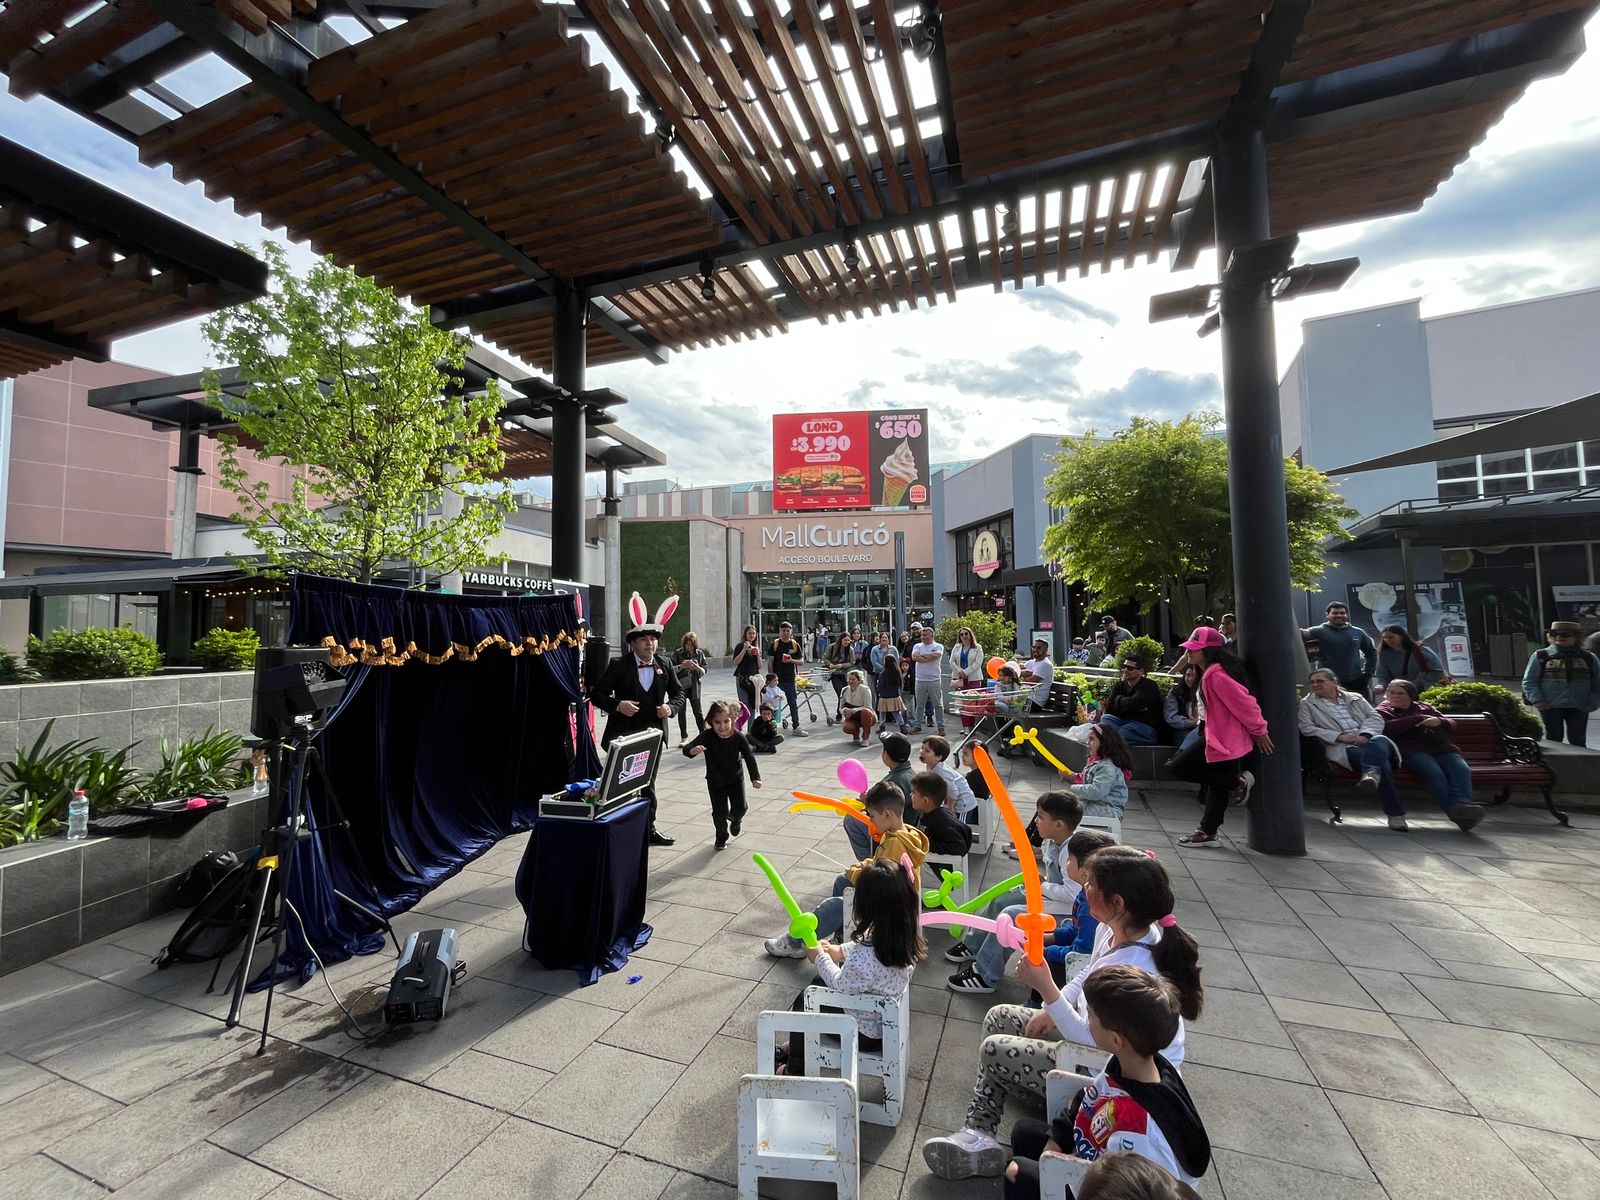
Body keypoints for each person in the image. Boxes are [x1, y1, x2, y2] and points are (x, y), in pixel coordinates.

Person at [921, 846, 1201, 1179]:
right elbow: (1086, 975)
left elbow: (1092, 1037)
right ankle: (991, 1118)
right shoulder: (1115, 930)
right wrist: (1049, 1010)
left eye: (1091, 885)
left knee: (994, 1049)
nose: (1084, 890)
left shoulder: (1132, 964)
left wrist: (1047, 989)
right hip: (1101, 1041)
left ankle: (982, 1131)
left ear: (1118, 903)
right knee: (999, 1017)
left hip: (1110, 1064)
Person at [1001, 966, 1210, 1200]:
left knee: (1015, 1172)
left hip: (1095, 1184)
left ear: (1115, 1040)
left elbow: (1118, 1188)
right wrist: (1057, 1139)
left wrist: (1056, 1168)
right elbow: (1090, 1096)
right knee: (1022, 1132)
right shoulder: (1132, 1065)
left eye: (1090, 1016)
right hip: (1090, 1149)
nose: (1087, 1021)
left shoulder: (1141, 1134)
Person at [776, 858, 924, 1077]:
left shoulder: (865, 958)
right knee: (817, 984)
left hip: (862, 1030)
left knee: (806, 998)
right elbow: (866, 941)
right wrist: (838, 951)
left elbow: (840, 984)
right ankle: (799, 1043)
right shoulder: (903, 936)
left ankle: (795, 1068)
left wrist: (819, 957)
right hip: (882, 1021)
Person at [765, 782, 929, 957]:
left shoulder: (896, 843)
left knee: (833, 906)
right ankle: (843, 934)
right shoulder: (904, 834)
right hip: (892, 899)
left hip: (888, 909)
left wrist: (857, 873)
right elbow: (881, 863)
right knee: (842, 882)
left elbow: (878, 883)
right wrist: (866, 864)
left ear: (887, 814)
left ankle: (795, 942)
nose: (870, 820)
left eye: (872, 815)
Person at [947, 790, 1082, 994]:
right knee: (1001, 900)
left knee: (1010, 917)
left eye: (1041, 816)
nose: (1036, 820)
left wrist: (1042, 886)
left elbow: (1073, 895)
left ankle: (985, 975)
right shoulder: (1054, 842)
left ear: (1059, 825)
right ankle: (973, 945)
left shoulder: (1071, 853)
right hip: (1047, 896)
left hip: (1063, 910)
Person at [1167, 627, 1272, 847]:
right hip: (1217, 733)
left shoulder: (1215, 675)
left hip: (1222, 736)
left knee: (1179, 767)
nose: (1189, 653)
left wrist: (1260, 731)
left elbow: (1245, 704)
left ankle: (1237, 784)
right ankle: (1208, 831)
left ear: (1210, 650)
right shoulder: (1210, 672)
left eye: (1195, 649)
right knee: (1215, 784)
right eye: (1189, 649)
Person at [590, 612, 684, 847]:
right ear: (632, 643)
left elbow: (679, 693)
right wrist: (617, 705)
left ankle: (649, 828)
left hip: (652, 735)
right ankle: (617, 828)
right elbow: (596, 695)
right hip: (624, 736)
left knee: (647, 782)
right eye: (644, 639)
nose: (649, 643)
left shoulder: (665, 663)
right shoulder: (619, 665)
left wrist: (670, 708)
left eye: (653, 639)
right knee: (620, 783)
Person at [1299, 667, 1405, 829]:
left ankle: (1371, 774)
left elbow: (1374, 717)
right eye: (1312, 682)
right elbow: (1307, 728)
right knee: (1383, 765)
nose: (1315, 685)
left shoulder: (1355, 697)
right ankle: (1395, 814)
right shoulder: (1308, 704)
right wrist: (1339, 736)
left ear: (1334, 682)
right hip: (1344, 747)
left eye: (1320, 681)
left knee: (1379, 740)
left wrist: (1365, 735)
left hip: (1371, 741)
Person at [1376, 680, 1486, 832]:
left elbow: (1452, 723)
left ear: (1411, 695)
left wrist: (1439, 721)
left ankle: (1463, 804)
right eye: (1391, 693)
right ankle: (1455, 813)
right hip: (1411, 751)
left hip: (1441, 748)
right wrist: (1416, 719)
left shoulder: (1425, 707)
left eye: (1400, 693)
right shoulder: (1383, 710)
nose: (1395, 696)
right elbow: (1387, 728)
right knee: (1435, 773)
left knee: (1460, 768)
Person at [682, 699, 761, 850]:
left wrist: (755, 778)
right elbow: (688, 747)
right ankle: (721, 837)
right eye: (717, 722)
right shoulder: (708, 736)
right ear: (711, 722)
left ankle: (736, 819)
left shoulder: (739, 737)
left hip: (735, 779)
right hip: (715, 781)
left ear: (732, 719)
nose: (722, 726)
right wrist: (691, 751)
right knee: (719, 812)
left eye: (726, 721)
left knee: (741, 807)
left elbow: (749, 757)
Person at [1042, 828, 1117, 984]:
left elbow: (1082, 952)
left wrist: (1047, 952)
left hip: (1084, 968)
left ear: (1084, 874)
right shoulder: (1086, 893)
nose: (1067, 863)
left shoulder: (1092, 909)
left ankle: (1038, 1004)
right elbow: (1076, 930)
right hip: (1082, 954)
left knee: (1043, 962)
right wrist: (1052, 937)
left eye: (1069, 859)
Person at [1523, 620, 1600, 747]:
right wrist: (1537, 700)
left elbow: (1597, 683)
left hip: (1579, 706)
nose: (1559, 637)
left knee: (1578, 740)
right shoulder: (1541, 655)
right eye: (1554, 634)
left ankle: (1580, 766)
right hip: (1549, 705)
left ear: (1576, 637)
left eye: (1565, 634)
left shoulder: (1589, 658)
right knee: (1553, 739)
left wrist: (1593, 702)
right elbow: (1529, 680)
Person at [845, 733, 914, 862]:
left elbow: (885, 812)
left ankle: (869, 863)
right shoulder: (909, 774)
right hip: (906, 826)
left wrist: (868, 803)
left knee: (851, 820)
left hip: (895, 830)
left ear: (886, 755)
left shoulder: (895, 780)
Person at [1057, 723, 1132, 821]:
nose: (1087, 743)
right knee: (1054, 807)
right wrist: (1070, 776)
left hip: (1108, 810)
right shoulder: (1097, 761)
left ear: (1104, 742)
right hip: (1095, 805)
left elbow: (1096, 791)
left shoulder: (1108, 767)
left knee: (1062, 812)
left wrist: (1073, 788)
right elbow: (1086, 778)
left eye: (1092, 739)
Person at [1304, 601, 1376, 695]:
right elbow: (1298, 636)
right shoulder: (1317, 631)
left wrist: (1367, 674)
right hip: (1328, 683)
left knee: (1360, 709)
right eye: (1335, 613)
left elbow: (1371, 652)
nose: (1339, 615)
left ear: (1347, 615)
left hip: (1356, 682)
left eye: (1342, 613)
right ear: (1327, 615)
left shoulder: (1358, 632)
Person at [1097, 656, 1164, 745]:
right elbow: (1110, 708)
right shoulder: (1119, 685)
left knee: (1122, 732)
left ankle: (1111, 742)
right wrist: (1129, 706)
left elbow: (1133, 704)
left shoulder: (1149, 686)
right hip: (1124, 722)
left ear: (1141, 671)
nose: (1125, 670)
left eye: (1130, 668)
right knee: (1106, 718)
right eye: (1124, 666)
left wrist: (1118, 699)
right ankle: (1113, 740)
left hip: (1145, 727)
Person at [911, 771, 972, 856]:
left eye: (913, 793)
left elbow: (959, 848)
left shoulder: (942, 822)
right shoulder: (923, 812)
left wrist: (926, 844)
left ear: (925, 800)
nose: (911, 795)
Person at [920, 734, 977, 822]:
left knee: (960, 826)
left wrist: (950, 808)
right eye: (922, 748)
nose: (922, 752)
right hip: (953, 799)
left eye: (927, 751)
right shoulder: (930, 766)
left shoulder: (941, 771)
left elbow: (954, 792)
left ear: (938, 757)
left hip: (963, 803)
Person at [1374, 624, 1446, 692]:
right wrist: (1382, 685)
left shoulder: (1421, 650)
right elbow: (1382, 675)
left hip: (1425, 690)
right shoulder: (1385, 655)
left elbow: (1437, 671)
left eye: (1391, 637)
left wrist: (1419, 683)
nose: (1388, 640)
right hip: (1400, 692)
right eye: (1385, 638)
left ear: (1401, 636)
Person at [769, 620, 809, 737]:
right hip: (777, 680)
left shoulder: (794, 645)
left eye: (788, 630)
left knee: (793, 703)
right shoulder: (775, 644)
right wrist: (771, 678)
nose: (786, 632)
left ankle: (796, 726)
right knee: (774, 704)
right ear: (780, 632)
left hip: (790, 679)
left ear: (791, 632)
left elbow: (801, 661)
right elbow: (770, 661)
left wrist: (791, 660)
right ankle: (772, 727)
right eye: (783, 630)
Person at [910, 625, 948, 734]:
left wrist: (922, 656)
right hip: (920, 679)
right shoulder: (917, 646)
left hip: (934, 679)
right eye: (922, 635)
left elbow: (936, 656)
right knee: (920, 704)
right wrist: (928, 657)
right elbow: (914, 657)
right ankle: (918, 725)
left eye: (925, 635)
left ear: (932, 635)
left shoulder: (938, 646)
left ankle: (941, 727)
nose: (922, 637)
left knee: (937, 704)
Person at [671, 631, 708, 744]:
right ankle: (684, 737)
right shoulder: (678, 653)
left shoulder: (699, 654)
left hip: (694, 686)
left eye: (691, 644)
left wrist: (697, 667)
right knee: (681, 712)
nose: (689, 647)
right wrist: (681, 666)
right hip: (681, 686)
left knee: (698, 711)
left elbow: (704, 670)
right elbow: (671, 669)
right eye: (687, 644)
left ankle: (703, 734)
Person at [951, 625, 986, 729]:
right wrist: (959, 671)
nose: (964, 636)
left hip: (973, 679)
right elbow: (952, 662)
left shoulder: (977, 647)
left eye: (966, 633)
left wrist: (966, 672)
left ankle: (971, 726)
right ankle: (965, 727)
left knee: (971, 704)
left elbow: (977, 663)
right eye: (961, 634)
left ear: (970, 635)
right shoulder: (956, 647)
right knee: (961, 704)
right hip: (959, 679)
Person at [1163, 663, 1201, 752]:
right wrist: (1189, 723)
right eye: (1188, 675)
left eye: (1194, 675)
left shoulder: (1204, 691)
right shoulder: (1176, 692)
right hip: (1183, 729)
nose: (1190, 679)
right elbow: (1171, 717)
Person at [732, 624, 763, 721]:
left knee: (752, 705)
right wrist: (744, 650)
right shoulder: (740, 646)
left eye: (753, 633)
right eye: (749, 633)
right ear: (745, 634)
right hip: (742, 679)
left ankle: (750, 731)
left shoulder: (756, 647)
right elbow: (735, 662)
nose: (752, 635)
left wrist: (758, 655)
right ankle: (738, 727)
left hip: (753, 680)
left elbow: (760, 666)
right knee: (744, 706)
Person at [839, 669, 877, 744]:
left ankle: (866, 737)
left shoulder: (865, 689)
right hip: (851, 716)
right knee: (847, 727)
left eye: (853, 679)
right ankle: (855, 734)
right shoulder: (844, 690)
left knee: (866, 712)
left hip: (866, 715)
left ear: (859, 680)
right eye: (849, 679)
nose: (850, 681)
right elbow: (840, 707)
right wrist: (845, 711)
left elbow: (868, 706)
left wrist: (854, 710)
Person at [826, 631, 856, 717]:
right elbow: (825, 658)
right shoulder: (832, 647)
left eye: (848, 640)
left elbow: (852, 662)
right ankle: (839, 714)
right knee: (840, 693)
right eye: (845, 640)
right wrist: (830, 664)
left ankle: (845, 712)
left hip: (845, 674)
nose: (846, 642)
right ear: (840, 640)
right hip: (834, 674)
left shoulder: (850, 649)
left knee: (846, 693)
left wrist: (842, 665)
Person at [1021, 638, 1056, 712]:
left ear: (1046, 650)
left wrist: (1020, 676)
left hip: (1035, 703)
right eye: (1034, 647)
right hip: (1025, 698)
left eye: (1039, 647)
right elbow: (1016, 670)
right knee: (1001, 703)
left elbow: (1030, 683)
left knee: (1005, 706)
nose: (1035, 649)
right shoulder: (1031, 662)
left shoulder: (1046, 664)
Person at [878, 649, 908, 733]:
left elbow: (880, 685)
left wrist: (879, 691)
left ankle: (882, 727)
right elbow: (900, 684)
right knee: (896, 713)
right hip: (895, 696)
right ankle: (902, 727)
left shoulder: (883, 673)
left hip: (884, 696)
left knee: (882, 713)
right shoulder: (897, 672)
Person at [869, 630, 896, 700]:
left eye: (886, 637)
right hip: (879, 674)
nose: (884, 639)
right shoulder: (874, 649)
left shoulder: (893, 649)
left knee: (891, 693)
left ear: (889, 639)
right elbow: (874, 662)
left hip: (892, 675)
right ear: (880, 639)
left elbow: (897, 661)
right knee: (879, 693)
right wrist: (885, 670)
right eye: (882, 637)